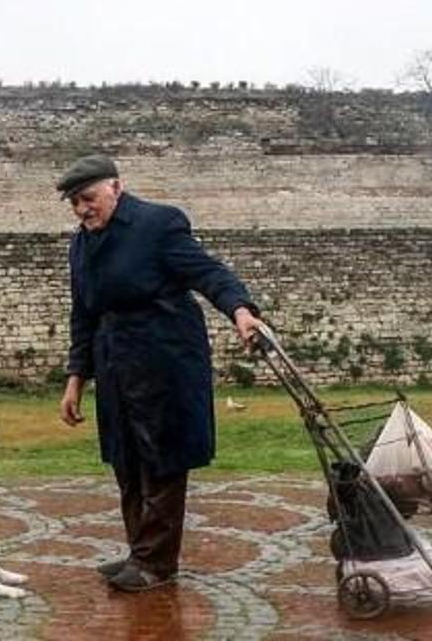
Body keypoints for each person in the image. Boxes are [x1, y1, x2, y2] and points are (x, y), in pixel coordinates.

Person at [56, 154, 263, 592]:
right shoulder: (81, 243)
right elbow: (83, 314)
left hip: (164, 359)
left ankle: (155, 562)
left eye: (88, 198)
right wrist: (76, 379)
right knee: (126, 460)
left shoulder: (158, 224)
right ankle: (140, 551)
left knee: (163, 459)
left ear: (115, 187)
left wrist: (241, 311)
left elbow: (208, 273)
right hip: (113, 362)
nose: (81, 209)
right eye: (74, 202)